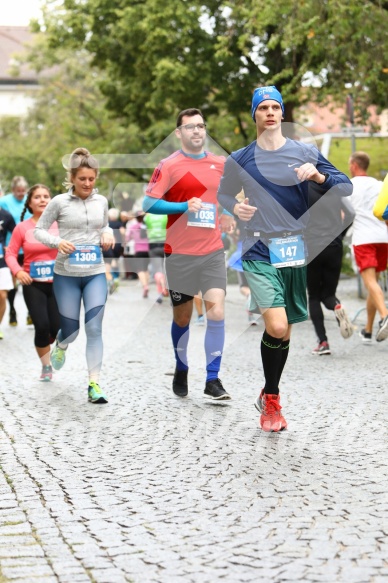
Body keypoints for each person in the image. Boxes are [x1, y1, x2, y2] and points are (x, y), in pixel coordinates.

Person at [217, 86, 352, 431]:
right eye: (263, 107)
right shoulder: (240, 158)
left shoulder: (304, 151)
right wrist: (236, 206)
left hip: (294, 249)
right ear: (255, 115)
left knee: (285, 333)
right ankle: (272, 402)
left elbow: (345, 184)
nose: (270, 112)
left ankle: (270, 393)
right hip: (258, 248)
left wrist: (318, 175)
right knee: (276, 326)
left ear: (282, 113)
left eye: (275, 106)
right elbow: (224, 193)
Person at [143, 108, 234, 401]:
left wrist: (231, 213)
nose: (197, 131)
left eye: (201, 126)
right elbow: (149, 202)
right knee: (182, 319)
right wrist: (183, 207)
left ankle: (212, 378)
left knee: (216, 310)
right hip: (180, 252)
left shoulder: (220, 164)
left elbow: (229, 197)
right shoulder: (168, 165)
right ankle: (182, 366)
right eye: (190, 127)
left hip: (212, 251)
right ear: (179, 133)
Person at [34, 147, 115, 403]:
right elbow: (39, 230)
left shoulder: (101, 201)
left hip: (94, 273)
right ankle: (62, 344)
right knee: (71, 330)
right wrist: (58, 242)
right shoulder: (59, 202)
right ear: (72, 178)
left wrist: (108, 232)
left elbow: (105, 225)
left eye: (92, 179)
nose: (88, 184)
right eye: (82, 179)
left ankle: (94, 384)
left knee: (94, 328)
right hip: (66, 274)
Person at [6, 185, 60, 380]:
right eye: (37, 197)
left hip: (58, 284)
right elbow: (11, 253)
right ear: (29, 203)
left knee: (57, 328)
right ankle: (46, 367)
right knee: (42, 326)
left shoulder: (59, 225)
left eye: (46, 196)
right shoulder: (22, 228)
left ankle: (51, 342)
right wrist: (18, 271)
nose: (43, 200)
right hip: (33, 283)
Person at [306, 186, 355, 355]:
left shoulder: (303, 190)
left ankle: (323, 342)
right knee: (328, 295)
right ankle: (337, 306)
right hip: (334, 246)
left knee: (313, 296)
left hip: (312, 246)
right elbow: (350, 213)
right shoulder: (336, 189)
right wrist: (340, 235)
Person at [348, 152, 388, 342]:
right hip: (383, 237)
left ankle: (385, 315)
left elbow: (344, 215)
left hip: (363, 238)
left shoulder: (349, 186)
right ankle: (368, 330)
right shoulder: (380, 184)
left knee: (370, 283)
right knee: (375, 285)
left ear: (354, 165)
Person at [0, 176, 31, 325]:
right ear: (13, 190)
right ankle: (12, 310)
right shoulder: (4, 201)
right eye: (18, 191)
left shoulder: (30, 200)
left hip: (27, 247)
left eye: (23, 191)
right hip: (9, 248)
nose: (21, 193)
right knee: (11, 283)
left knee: (30, 280)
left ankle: (30, 312)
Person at [143, 212, 168, 303]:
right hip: (166, 243)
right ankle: (168, 290)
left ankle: (160, 294)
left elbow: (144, 231)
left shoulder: (147, 217)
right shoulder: (166, 215)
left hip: (153, 245)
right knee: (167, 270)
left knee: (158, 271)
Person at [125, 211, 150, 298]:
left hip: (138, 250)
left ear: (136, 218)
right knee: (146, 269)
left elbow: (127, 238)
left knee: (139, 269)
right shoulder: (147, 226)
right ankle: (147, 284)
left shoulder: (133, 227)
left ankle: (145, 286)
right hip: (148, 250)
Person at [0, 207, 16, 339]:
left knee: (2, 295)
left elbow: (17, 234)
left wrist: (10, 247)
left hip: (1, 261)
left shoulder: (6, 215)